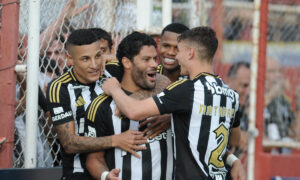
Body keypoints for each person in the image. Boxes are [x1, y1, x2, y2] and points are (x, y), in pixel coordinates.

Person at [102, 27, 246, 180]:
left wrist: (115, 89)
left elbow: (133, 111)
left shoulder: (186, 89)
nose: (176, 56)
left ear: (190, 53)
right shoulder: (231, 95)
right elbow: (234, 140)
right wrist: (233, 160)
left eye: (179, 51)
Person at [46, 29, 147, 180]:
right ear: (70, 59)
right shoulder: (59, 87)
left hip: (119, 168)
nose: (94, 65)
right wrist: (116, 140)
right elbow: (69, 143)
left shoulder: (113, 70)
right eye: (85, 59)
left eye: (98, 56)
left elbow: (157, 76)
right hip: (79, 173)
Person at [84, 32, 173, 180]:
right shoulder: (102, 105)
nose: (155, 65)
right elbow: (94, 159)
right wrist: (106, 175)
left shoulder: (167, 96)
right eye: (146, 59)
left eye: (155, 59)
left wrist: (171, 116)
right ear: (127, 62)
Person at [264, 57, 296, 153]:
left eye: (280, 71)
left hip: (283, 151)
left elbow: (294, 132)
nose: (277, 75)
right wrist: (271, 95)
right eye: (272, 71)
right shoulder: (252, 96)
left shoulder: (283, 101)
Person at [227, 61, 251, 155]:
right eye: (244, 85)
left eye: (251, 87)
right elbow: (240, 140)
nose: (249, 92)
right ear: (229, 82)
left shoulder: (246, 108)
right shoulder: (220, 104)